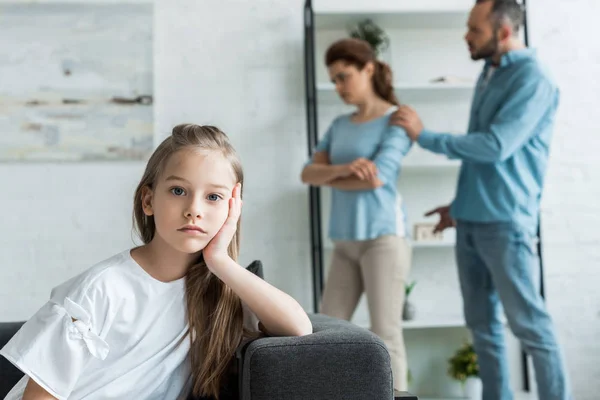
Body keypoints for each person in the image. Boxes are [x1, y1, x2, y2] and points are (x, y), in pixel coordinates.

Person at [1, 124, 312, 400]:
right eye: (178, 191)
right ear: (148, 200)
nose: (194, 209)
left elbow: (298, 328)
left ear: (234, 209)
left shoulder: (222, 291)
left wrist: (219, 260)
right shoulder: (103, 288)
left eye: (213, 197)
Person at [390, 1, 571, 399]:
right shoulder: (490, 72)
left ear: (503, 32)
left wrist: (425, 135)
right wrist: (458, 207)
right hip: (472, 222)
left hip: (507, 224)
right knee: (483, 327)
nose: (466, 36)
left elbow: (495, 147)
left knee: (531, 328)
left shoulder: (533, 78)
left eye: (474, 29)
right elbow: (481, 162)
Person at [301, 38, 412, 391]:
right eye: (333, 80)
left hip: (383, 239)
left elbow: (377, 178)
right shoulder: (339, 125)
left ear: (369, 69)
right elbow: (307, 174)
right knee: (325, 332)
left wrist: (330, 173)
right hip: (345, 242)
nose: (338, 87)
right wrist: (346, 168)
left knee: (386, 334)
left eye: (343, 77)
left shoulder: (398, 119)